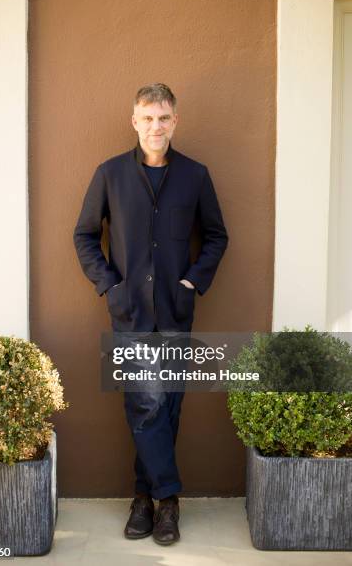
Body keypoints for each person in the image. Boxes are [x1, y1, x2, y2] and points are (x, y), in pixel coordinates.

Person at [73, 83, 228, 545]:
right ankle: (169, 500)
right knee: (145, 402)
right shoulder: (110, 174)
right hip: (130, 313)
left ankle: (143, 497)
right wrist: (109, 285)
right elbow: (84, 236)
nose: (155, 126)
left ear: (174, 121)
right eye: (147, 118)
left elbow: (217, 237)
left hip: (177, 312)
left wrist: (192, 281)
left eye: (163, 118)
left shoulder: (196, 176)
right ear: (134, 121)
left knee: (170, 406)